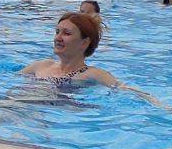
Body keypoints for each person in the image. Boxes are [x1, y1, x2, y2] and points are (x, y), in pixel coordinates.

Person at [21, 13, 162, 103]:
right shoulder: (41, 65)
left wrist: (162, 106)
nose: (58, 38)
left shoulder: (92, 74)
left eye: (66, 33)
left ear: (84, 42)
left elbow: (126, 89)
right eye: (57, 32)